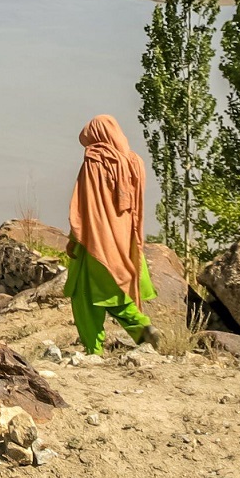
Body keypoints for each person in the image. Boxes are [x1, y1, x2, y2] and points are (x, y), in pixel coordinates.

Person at [66, 114, 157, 353]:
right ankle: (143, 331)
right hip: (126, 241)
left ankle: (95, 349)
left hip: (96, 239)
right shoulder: (134, 161)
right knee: (115, 291)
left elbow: (86, 206)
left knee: (84, 296)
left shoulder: (95, 161)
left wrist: (73, 238)